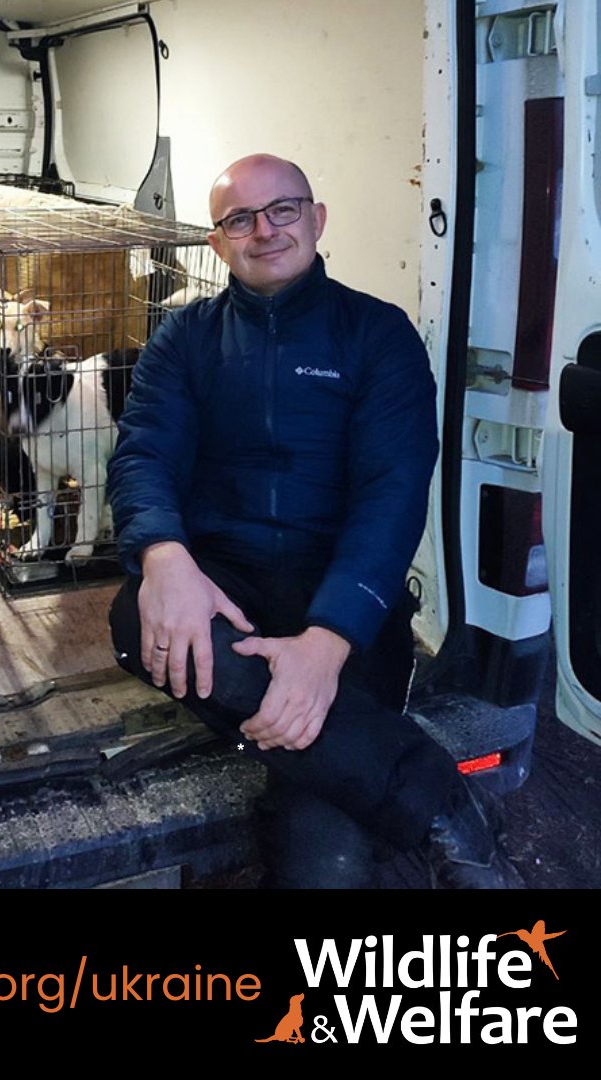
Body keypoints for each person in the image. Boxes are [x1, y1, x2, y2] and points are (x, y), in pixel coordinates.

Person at [107, 153, 519, 888]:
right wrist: (166, 558)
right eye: (239, 219)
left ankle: (404, 799)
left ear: (317, 218)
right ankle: (439, 802)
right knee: (132, 614)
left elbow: (391, 497)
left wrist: (325, 644)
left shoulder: (378, 335)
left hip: (343, 593)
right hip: (224, 582)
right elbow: (144, 455)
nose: (264, 230)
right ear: (216, 244)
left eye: (283, 210)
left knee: (322, 847)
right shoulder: (183, 339)